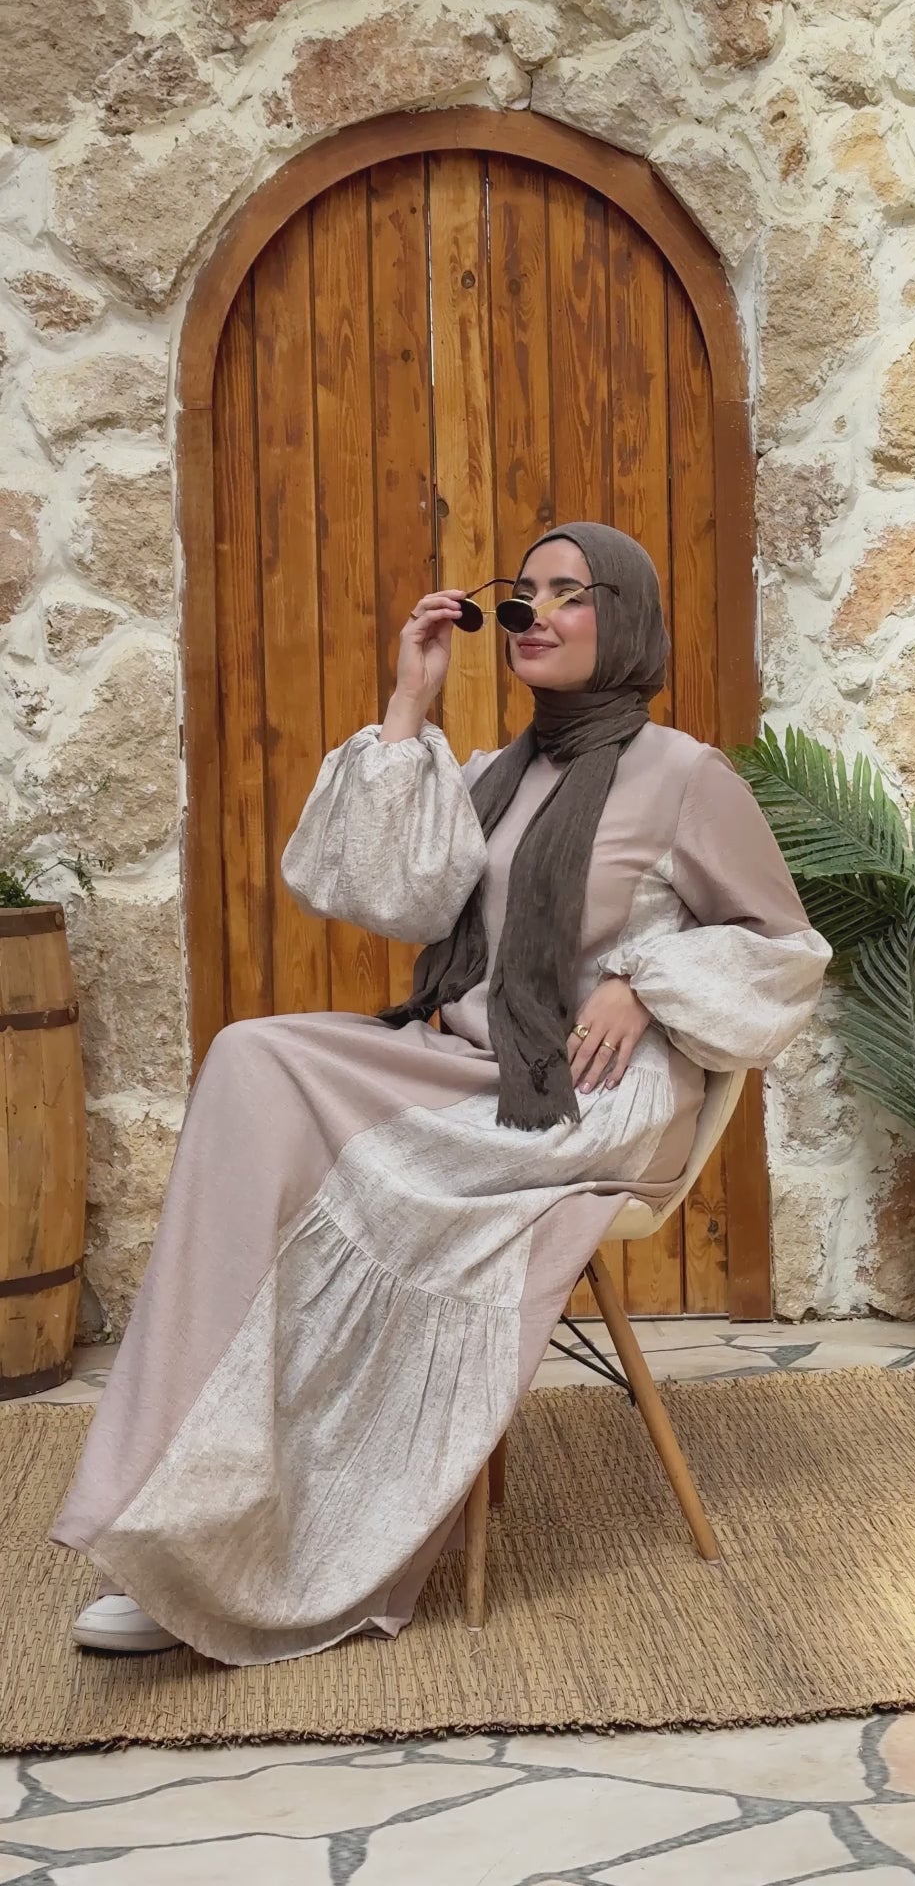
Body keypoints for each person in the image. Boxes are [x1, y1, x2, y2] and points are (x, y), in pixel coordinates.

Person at [53, 520, 832, 1664]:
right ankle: (185, 1523)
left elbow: (785, 950)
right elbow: (392, 897)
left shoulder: (685, 777)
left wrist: (644, 980)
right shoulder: (495, 777)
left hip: (590, 1095)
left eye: (569, 594)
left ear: (625, 619)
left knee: (358, 1176)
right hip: (473, 1068)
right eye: (523, 594)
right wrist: (409, 702)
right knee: (253, 1059)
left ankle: (281, 1535)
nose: (534, 614)